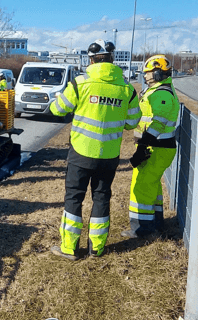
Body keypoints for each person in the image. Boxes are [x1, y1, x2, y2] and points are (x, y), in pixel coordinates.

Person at [49, 39, 142, 260]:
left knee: (74, 198)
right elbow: (132, 122)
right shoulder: (126, 89)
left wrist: (58, 100)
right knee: (101, 198)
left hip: (81, 153)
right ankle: (97, 249)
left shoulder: (80, 83)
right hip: (109, 156)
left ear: (91, 59)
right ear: (112, 59)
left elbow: (57, 109)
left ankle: (69, 249)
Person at [121, 55, 179, 238]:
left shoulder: (161, 93)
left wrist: (142, 145)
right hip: (156, 147)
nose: (145, 76)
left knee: (142, 187)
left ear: (158, 72)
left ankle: (143, 229)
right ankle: (156, 222)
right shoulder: (156, 90)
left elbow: (158, 123)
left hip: (157, 147)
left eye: (148, 73)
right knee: (152, 186)